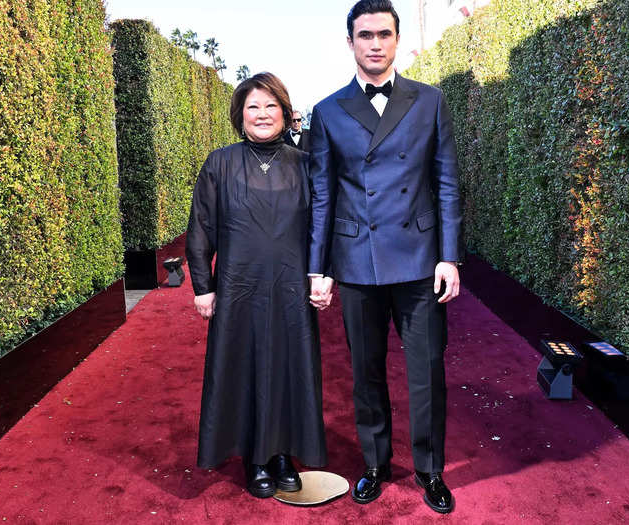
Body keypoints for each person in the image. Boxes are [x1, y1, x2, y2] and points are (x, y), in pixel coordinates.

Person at [308, 0, 462, 514]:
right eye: (365, 34)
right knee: (366, 371)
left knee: (427, 371)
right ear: (349, 42)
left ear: (396, 41)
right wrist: (319, 266)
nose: (375, 43)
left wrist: (449, 256)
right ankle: (375, 464)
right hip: (356, 261)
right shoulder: (328, 111)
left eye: (384, 34)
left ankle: (430, 469)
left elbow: (444, 183)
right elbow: (323, 194)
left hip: (419, 261)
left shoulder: (430, 101)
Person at [186, 72, 330, 499]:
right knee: (244, 368)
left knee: (289, 369)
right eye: (253, 107)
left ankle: (283, 454)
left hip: (290, 288)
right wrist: (202, 286)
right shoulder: (220, 163)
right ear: (240, 115)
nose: (262, 114)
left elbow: (322, 226)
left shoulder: (306, 164)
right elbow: (201, 228)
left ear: (285, 112)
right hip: (237, 288)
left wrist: (322, 273)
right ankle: (254, 457)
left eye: (271, 106)